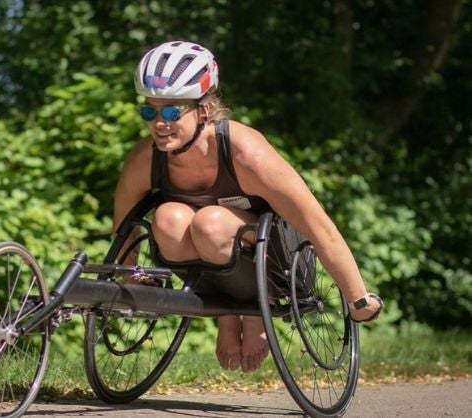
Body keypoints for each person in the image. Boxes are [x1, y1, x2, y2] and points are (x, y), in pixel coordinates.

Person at [113, 41, 383, 373]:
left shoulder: (245, 152)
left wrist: (357, 297)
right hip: (209, 262)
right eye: (149, 111)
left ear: (204, 110)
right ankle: (226, 317)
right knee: (166, 218)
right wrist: (130, 280)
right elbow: (123, 233)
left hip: (273, 254)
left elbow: (318, 225)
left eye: (171, 112)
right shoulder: (144, 161)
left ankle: (258, 308)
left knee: (210, 222)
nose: (158, 122)